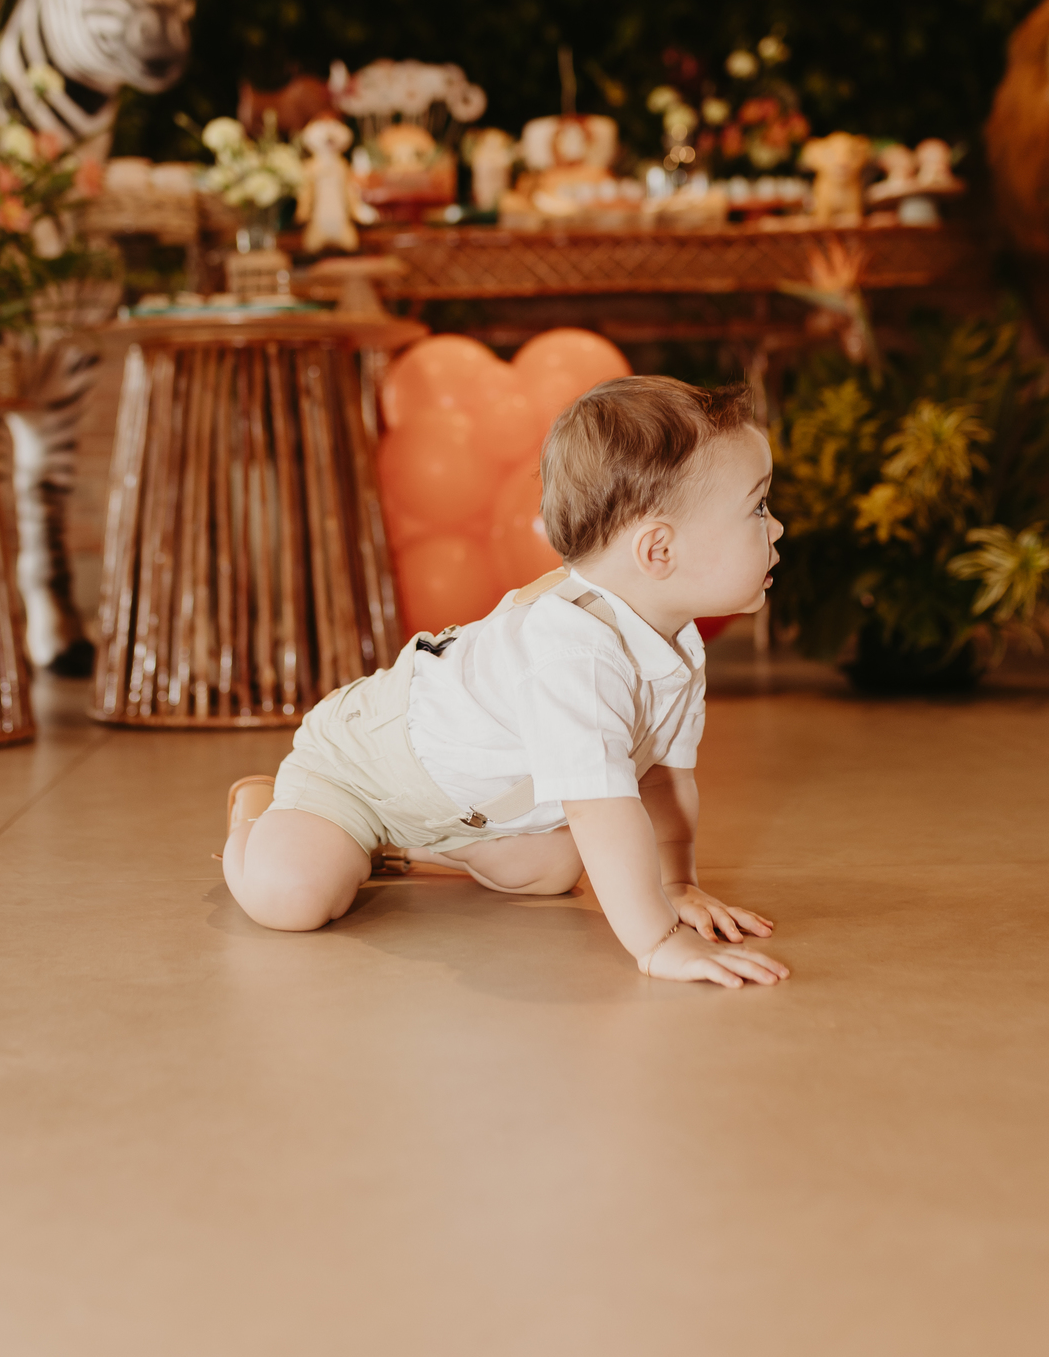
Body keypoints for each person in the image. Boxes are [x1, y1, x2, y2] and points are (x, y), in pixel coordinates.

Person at [222, 376, 789, 989]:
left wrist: (674, 885)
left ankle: (401, 846)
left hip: (462, 804)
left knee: (556, 866)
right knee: (290, 896)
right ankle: (261, 813)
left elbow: (663, 782)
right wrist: (659, 941)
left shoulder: (676, 642)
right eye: (758, 508)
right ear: (658, 551)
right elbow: (601, 810)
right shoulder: (573, 656)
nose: (777, 528)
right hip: (363, 767)